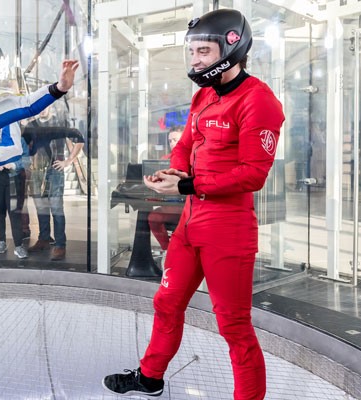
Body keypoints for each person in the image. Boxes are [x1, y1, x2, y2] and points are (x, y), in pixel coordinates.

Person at [103, 9, 285, 399]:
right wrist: (172, 170)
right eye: (192, 51)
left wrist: (186, 185)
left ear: (232, 46)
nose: (195, 59)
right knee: (166, 301)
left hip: (228, 229)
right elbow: (186, 144)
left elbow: (253, 174)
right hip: (190, 222)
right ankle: (150, 378)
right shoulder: (203, 94)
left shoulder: (260, 102)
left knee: (234, 326)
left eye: (203, 51)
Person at [23, 109, 85, 261]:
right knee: (41, 206)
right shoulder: (31, 125)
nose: (43, 108)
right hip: (37, 171)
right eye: (41, 105)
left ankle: (60, 244)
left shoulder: (60, 122)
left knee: (56, 207)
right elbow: (24, 147)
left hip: (55, 169)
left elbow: (80, 139)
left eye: (46, 105)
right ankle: (44, 239)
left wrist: (68, 161)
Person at [0, 122, 30, 259]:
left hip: (12, 180)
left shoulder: (19, 140)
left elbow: (26, 160)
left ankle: (18, 246)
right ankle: (1, 242)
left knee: (14, 213)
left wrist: (13, 164)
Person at [148, 126, 184, 252]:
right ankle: (168, 249)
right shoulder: (165, 159)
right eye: (170, 141)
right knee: (153, 216)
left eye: (175, 140)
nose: (172, 143)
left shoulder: (193, 157)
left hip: (188, 203)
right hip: (169, 202)